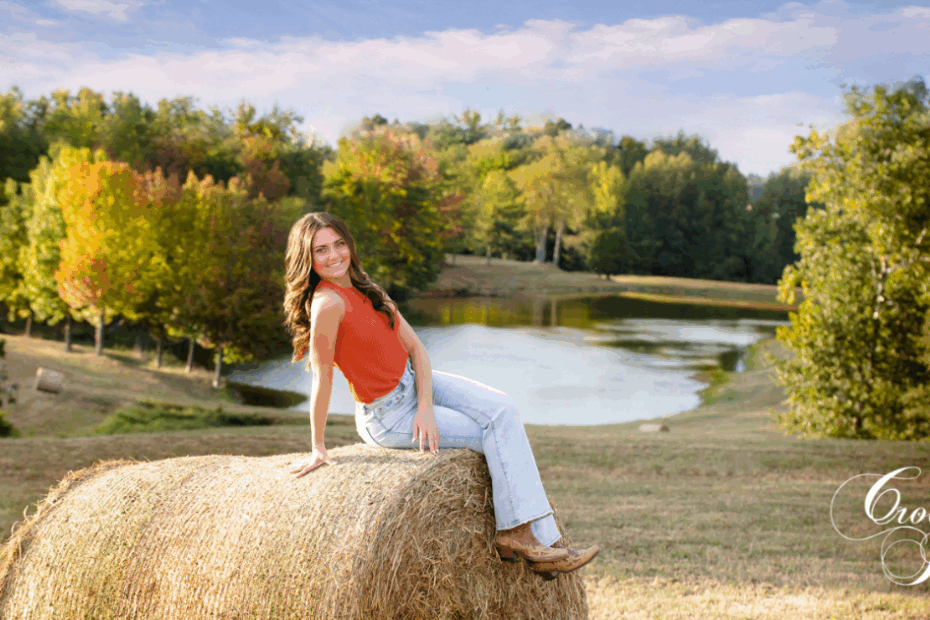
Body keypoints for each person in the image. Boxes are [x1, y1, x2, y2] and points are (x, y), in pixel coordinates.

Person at [282, 212, 599, 579]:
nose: (334, 255)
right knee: (488, 434)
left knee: (504, 410)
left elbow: (417, 349)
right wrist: (318, 445)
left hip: (415, 383)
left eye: (339, 244)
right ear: (308, 258)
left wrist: (427, 407)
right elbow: (321, 378)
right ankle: (521, 536)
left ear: (350, 245)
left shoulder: (367, 289)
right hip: (388, 415)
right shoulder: (328, 305)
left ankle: (544, 542)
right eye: (321, 250)